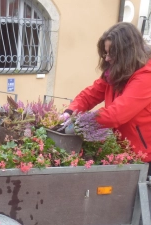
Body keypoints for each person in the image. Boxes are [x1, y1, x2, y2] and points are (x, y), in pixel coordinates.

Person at [62, 22, 151, 164]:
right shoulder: (115, 72)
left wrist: (80, 124)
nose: (107, 58)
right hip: (124, 152)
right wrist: (69, 111)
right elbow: (90, 94)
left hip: (145, 156)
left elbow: (115, 115)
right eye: (106, 53)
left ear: (126, 54)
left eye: (111, 54)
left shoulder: (146, 77)